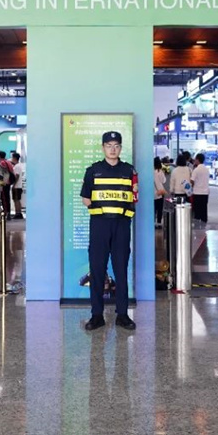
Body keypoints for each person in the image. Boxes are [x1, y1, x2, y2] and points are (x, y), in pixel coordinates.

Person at [81, 131, 137, 332]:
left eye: (116, 146)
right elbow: (86, 199)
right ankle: (97, 315)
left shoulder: (129, 171)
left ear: (120, 148)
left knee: (121, 270)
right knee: (97, 271)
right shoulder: (93, 171)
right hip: (100, 226)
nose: (113, 149)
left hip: (121, 226)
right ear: (103, 147)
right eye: (109, 145)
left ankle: (122, 315)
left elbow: (134, 197)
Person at [191, 153, 210, 225]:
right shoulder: (206, 169)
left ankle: (197, 223)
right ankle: (204, 222)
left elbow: (192, 180)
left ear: (197, 160)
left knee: (197, 209)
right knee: (204, 208)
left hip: (197, 192)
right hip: (205, 192)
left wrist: (191, 186)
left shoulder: (196, 170)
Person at [153, 156, 167, 226]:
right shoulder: (160, 172)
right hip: (160, 192)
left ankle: (153, 222)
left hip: (153, 192)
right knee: (160, 208)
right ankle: (159, 222)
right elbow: (164, 181)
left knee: (154, 208)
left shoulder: (151, 172)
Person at [11, 152, 26, 220]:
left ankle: (18, 213)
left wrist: (14, 184)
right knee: (17, 200)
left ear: (14, 158)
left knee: (16, 200)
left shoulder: (17, 166)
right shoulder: (18, 166)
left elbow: (17, 176)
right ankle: (18, 213)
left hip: (17, 186)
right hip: (19, 186)